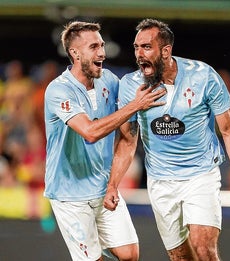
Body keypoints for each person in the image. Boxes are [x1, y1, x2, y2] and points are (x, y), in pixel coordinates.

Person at [104, 18, 230, 261]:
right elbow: (128, 140)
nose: (139, 54)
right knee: (181, 257)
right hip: (161, 181)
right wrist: (113, 185)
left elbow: (228, 129)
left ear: (166, 51)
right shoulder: (131, 85)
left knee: (203, 247)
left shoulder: (203, 76)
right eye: (136, 47)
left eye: (146, 47)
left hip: (201, 175)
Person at [44, 21, 166, 261]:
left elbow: (127, 133)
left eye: (102, 45)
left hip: (102, 188)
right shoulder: (59, 90)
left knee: (130, 254)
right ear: (75, 53)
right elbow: (90, 132)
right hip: (70, 195)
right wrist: (135, 105)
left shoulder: (110, 81)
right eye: (94, 46)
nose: (102, 52)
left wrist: (113, 184)